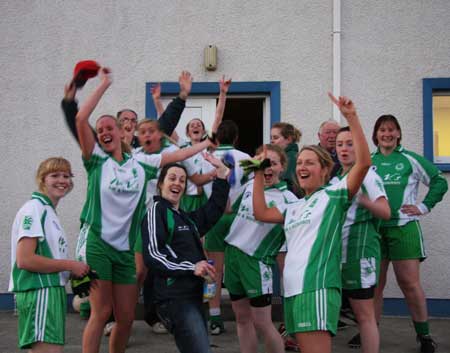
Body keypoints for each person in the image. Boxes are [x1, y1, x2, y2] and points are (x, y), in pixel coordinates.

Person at [252, 94, 372, 353]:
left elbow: (363, 164)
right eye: (300, 163)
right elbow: (260, 212)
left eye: (310, 163)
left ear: (325, 170)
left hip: (316, 288)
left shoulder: (332, 195)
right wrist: (258, 175)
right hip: (293, 292)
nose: (302, 167)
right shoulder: (294, 206)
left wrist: (351, 117)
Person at [74, 67, 169, 353]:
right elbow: (80, 118)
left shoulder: (140, 159)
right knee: (101, 312)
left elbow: (167, 140)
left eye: (110, 128)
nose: (105, 132)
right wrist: (104, 83)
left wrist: (204, 145)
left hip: (126, 248)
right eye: (101, 129)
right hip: (98, 243)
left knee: (126, 318)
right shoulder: (97, 160)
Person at [371, 114, 448, 353]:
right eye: (382, 130)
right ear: (376, 135)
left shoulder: (410, 159)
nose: (387, 134)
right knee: (374, 286)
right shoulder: (367, 161)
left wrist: (423, 207)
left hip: (404, 228)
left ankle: (424, 335)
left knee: (409, 284)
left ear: (398, 133)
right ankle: (369, 330)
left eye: (391, 130)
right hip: (374, 230)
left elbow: (439, 181)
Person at [141, 156, 231, 353]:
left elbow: (211, 212)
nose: (177, 183)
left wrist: (222, 178)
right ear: (160, 184)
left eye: (182, 180)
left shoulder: (183, 217)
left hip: (192, 296)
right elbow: (154, 255)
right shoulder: (156, 211)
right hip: (175, 299)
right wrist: (193, 267)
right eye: (172, 178)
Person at [9, 157, 90, 352]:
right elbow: (25, 259)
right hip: (40, 290)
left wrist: (71, 272)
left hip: (50, 290)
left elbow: (47, 258)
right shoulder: (34, 209)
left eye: (66, 176)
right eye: (55, 175)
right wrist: (70, 265)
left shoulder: (49, 211)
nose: (62, 180)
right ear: (42, 179)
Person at [223, 144, 297, 353]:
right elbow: (229, 209)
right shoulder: (249, 187)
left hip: (256, 261)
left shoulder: (288, 199)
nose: (267, 168)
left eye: (272, 163)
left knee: (262, 322)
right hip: (233, 255)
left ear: (282, 167)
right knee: (242, 319)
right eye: (263, 162)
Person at [331, 126, 391, 353]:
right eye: (339, 144)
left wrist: (363, 200)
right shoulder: (338, 177)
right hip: (340, 253)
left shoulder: (368, 175)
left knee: (364, 315)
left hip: (360, 251)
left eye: (349, 144)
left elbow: (386, 212)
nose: (344, 149)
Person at [202, 119, 251, 334]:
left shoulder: (205, 156)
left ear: (218, 138)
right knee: (240, 268)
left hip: (215, 216)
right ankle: (246, 316)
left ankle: (214, 317)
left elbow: (197, 183)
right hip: (238, 217)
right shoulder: (247, 158)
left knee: (214, 269)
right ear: (236, 138)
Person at [270, 122, 302, 196]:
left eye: (275, 138)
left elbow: (288, 185)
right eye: (271, 138)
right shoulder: (285, 157)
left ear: (288, 139)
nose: (272, 141)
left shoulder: (291, 158)